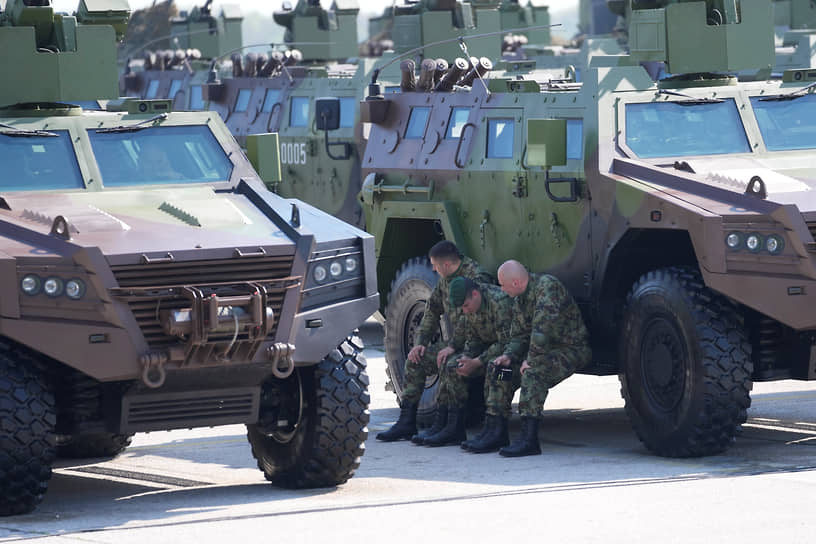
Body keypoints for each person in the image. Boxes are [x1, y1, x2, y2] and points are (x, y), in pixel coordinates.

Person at [376, 240, 492, 442]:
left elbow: (473, 319)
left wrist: (451, 347)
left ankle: (450, 425)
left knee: (450, 363)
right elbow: (431, 311)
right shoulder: (445, 279)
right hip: (457, 343)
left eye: (435, 265)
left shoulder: (476, 278)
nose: (433, 269)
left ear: (446, 265)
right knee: (416, 360)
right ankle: (407, 421)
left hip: (477, 342)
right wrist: (420, 342)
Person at [492, 260, 591, 457]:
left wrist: (532, 359)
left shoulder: (547, 287)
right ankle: (496, 427)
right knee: (499, 372)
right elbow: (519, 335)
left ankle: (529, 439)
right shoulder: (520, 298)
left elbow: (542, 330)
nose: (501, 290)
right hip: (543, 351)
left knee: (532, 373)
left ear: (516, 283)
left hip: (571, 349)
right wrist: (508, 356)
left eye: (502, 285)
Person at [435, 276, 515, 452]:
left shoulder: (499, 302)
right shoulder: (471, 308)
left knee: (497, 372)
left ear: (475, 294)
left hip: (513, 356)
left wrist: (477, 362)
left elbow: (507, 342)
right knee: (453, 366)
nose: (465, 311)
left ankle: (498, 432)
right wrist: (465, 359)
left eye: (466, 305)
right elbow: (473, 338)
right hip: (490, 353)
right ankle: (454, 427)